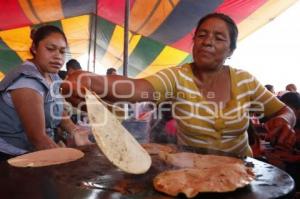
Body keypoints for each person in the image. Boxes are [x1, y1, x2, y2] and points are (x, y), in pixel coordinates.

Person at [63, 13, 296, 157]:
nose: (207, 42)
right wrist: (91, 79)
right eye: (202, 35)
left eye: (218, 37)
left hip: (241, 173)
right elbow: (136, 88)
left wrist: (284, 120)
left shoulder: (246, 81)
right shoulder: (177, 77)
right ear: (193, 42)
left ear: (231, 50)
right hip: (190, 172)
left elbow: (284, 111)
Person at [0, 25, 91, 159]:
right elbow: (38, 139)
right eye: (50, 49)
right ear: (34, 49)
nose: (57, 56)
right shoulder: (27, 84)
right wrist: (66, 160)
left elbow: (58, 111)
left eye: (62, 51)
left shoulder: (52, 76)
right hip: (12, 156)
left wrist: (75, 131)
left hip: (34, 150)